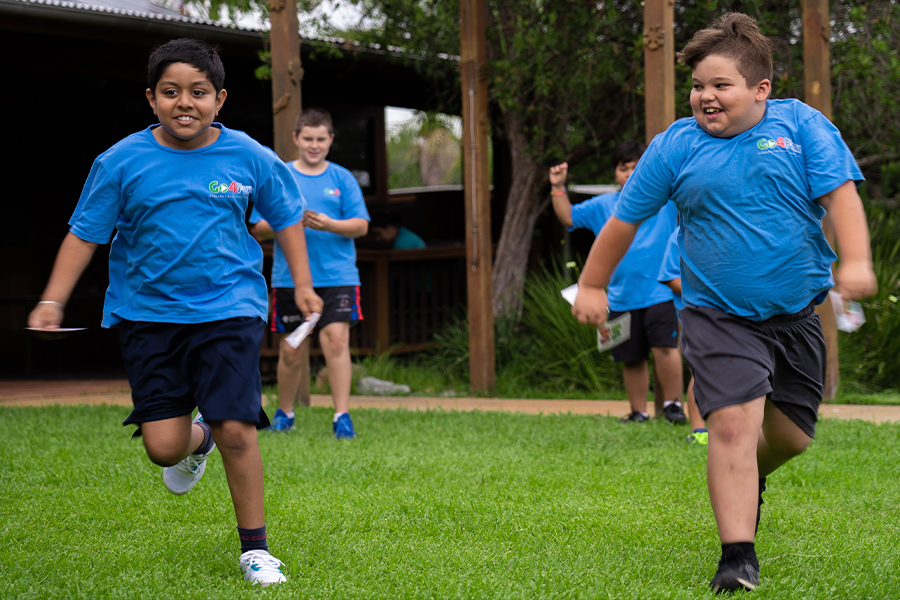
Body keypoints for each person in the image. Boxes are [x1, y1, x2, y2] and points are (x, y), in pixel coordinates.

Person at [572, 13, 876, 593]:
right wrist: (591, 285)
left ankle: (745, 477)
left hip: (795, 318)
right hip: (717, 316)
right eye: (697, 86)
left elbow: (841, 195)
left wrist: (856, 262)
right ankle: (737, 556)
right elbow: (624, 221)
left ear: (761, 89)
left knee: (791, 437)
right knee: (734, 426)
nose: (705, 96)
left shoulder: (802, 127)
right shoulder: (675, 146)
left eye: (720, 85)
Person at [26, 39, 322, 586]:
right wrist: (52, 298)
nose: (185, 103)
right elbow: (84, 235)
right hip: (148, 315)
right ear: (151, 98)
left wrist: (302, 285)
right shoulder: (121, 162)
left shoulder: (249, 157)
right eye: (171, 92)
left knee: (238, 426)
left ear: (220, 99)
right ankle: (197, 441)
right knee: (163, 447)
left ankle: (255, 550)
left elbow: (287, 218)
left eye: (198, 93)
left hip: (230, 308)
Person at [250, 108, 370, 439]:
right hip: (289, 279)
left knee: (336, 341)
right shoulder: (281, 176)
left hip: (338, 276)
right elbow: (258, 226)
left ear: (330, 140)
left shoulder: (343, 178)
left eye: (321, 139)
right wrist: (289, 221)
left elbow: (361, 225)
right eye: (308, 139)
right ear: (296, 139)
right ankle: (285, 413)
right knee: (291, 349)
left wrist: (330, 224)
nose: (314, 145)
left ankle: (341, 416)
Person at [550, 142, 687, 425]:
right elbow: (568, 217)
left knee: (666, 349)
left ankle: (674, 406)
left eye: (636, 167)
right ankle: (639, 411)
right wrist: (558, 186)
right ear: (615, 174)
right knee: (629, 356)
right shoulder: (605, 205)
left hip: (661, 293)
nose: (629, 173)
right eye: (623, 168)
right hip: (618, 297)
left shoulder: (666, 200)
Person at [657, 226, 707, 445]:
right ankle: (699, 431)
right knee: (702, 370)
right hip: (696, 314)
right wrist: (705, 295)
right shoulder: (681, 233)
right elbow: (670, 277)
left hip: (735, 315)